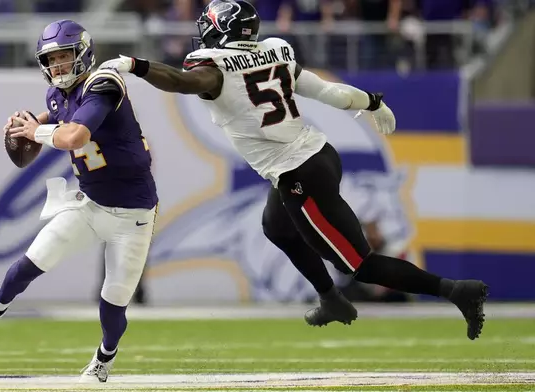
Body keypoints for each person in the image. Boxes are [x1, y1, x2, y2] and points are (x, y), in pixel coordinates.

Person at [101, 0, 488, 340]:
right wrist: (372, 102)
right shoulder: (275, 51)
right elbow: (329, 92)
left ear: (218, 30)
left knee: (358, 264)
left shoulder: (215, 67)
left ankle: (456, 290)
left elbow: (182, 82)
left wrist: (135, 65)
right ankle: (331, 299)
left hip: (299, 173)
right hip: (317, 156)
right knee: (276, 226)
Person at [0, 19, 159, 383]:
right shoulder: (56, 95)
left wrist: (36, 130)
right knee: (32, 260)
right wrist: (24, 124)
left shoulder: (104, 84)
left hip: (134, 213)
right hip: (90, 204)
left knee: (114, 301)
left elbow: (75, 135)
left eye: (65, 57)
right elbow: (57, 115)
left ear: (84, 53)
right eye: (53, 60)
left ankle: (104, 358)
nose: (59, 66)